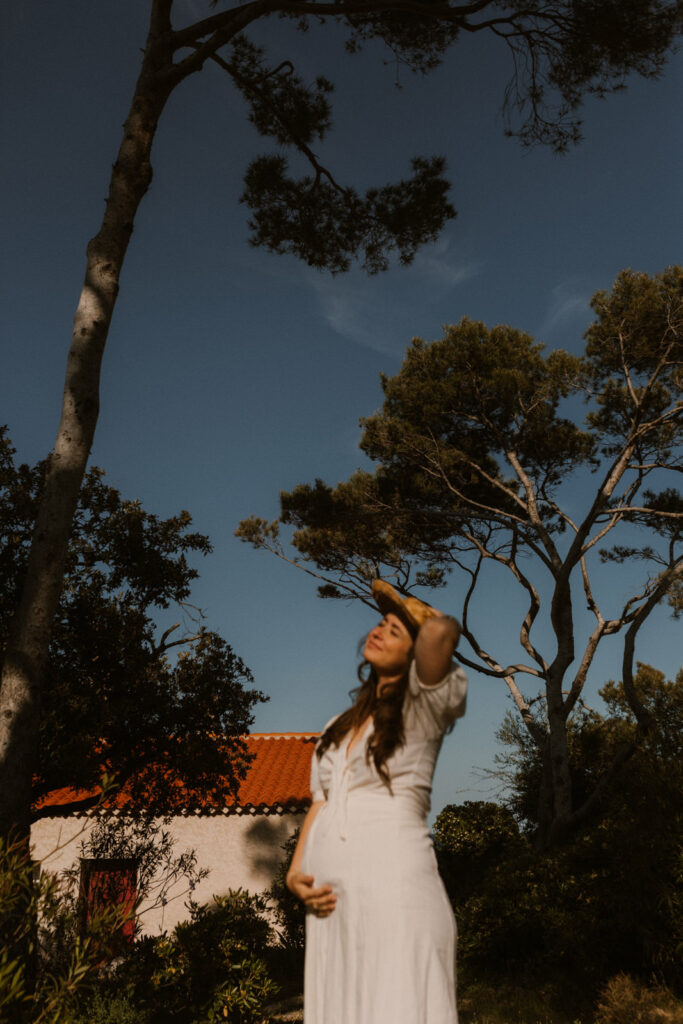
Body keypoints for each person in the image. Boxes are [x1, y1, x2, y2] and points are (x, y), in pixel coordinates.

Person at [286, 579, 467, 1024]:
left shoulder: (425, 708)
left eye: (395, 630)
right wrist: (295, 872)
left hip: (395, 897)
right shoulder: (337, 726)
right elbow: (321, 800)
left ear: (415, 654)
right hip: (331, 907)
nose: (380, 630)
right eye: (380, 623)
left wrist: (414, 614)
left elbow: (443, 633)